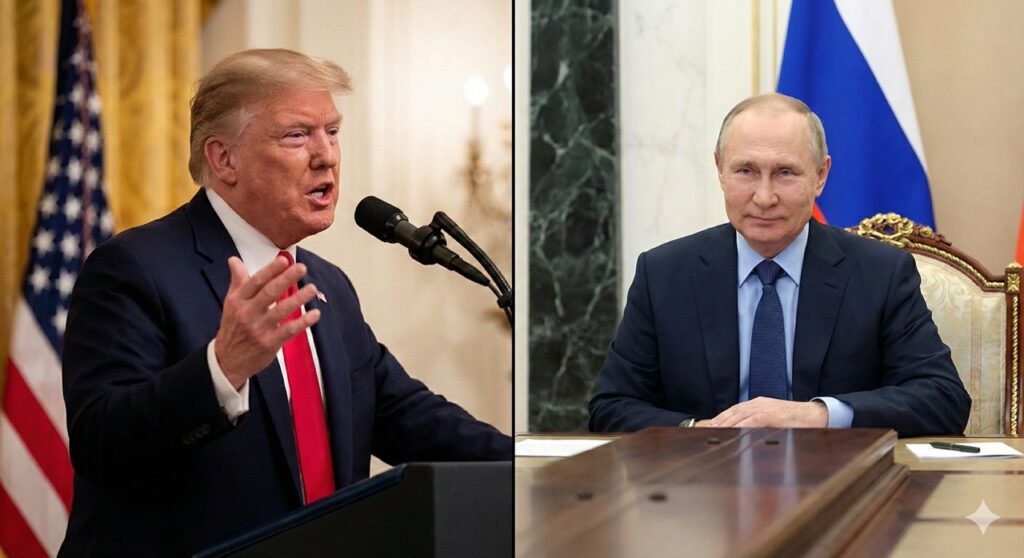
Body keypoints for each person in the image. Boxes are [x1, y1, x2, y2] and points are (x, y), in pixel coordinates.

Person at [59, 49, 511, 556]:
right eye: (297, 135)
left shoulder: (329, 287)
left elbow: (411, 418)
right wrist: (221, 370)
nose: (327, 156)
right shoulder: (134, 269)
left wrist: (540, 469)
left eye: (332, 132)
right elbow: (102, 443)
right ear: (223, 158)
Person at [589, 93, 970, 438]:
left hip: (837, 491)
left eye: (785, 173)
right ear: (720, 169)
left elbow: (943, 399)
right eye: (746, 171)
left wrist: (817, 415)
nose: (764, 196)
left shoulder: (880, 274)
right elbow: (611, 407)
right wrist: (699, 432)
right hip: (704, 493)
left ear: (820, 176)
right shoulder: (664, 274)